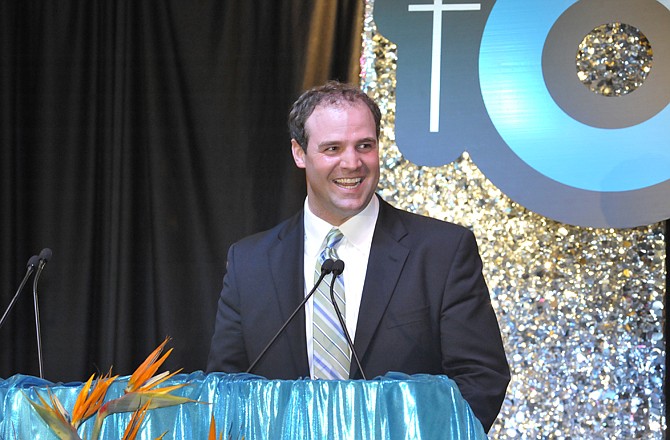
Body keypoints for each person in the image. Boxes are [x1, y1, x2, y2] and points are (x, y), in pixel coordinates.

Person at [207, 81, 510, 432]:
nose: (352, 163)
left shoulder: (442, 251)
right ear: (299, 153)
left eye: (364, 146)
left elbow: (480, 379)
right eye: (332, 148)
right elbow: (225, 387)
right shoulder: (250, 262)